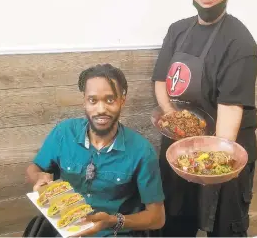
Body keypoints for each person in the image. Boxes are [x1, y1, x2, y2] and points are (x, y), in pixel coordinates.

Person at [151, 0, 257, 236]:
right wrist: (174, 119)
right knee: (173, 222)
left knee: (223, 227)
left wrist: (210, 163)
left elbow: (231, 108)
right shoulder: (177, 30)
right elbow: (162, 81)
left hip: (224, 145)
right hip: (179, 143)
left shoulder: (239, 42)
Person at [26, 64, 165, 237]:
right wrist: (39, 177)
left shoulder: (142, 151)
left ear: (122, 100)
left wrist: (114, 221)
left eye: (110, 100)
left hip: (113, 233)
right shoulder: (63, 133)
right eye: (93, 100)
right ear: (84, 100)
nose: (101, 110)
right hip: (63, 228)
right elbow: (34, 168)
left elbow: (157, 218)